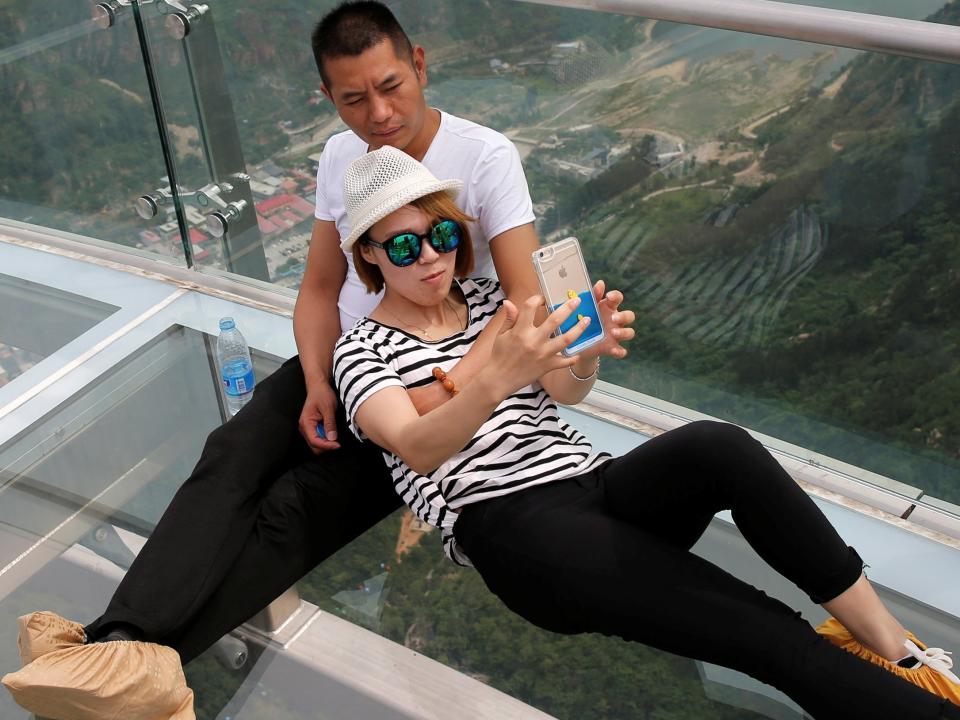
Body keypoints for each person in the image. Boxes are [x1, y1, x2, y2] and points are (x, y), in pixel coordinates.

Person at [331, 145, 960, 719]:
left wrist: (586, 352)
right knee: (764, 631)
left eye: (440, 234)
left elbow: (566, 390)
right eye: (406, 247)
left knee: (722, 447)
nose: (433, 256)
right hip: (516, 529)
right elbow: (414, 444)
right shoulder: (360, 353)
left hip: (593, 483)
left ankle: (896, 651)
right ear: (369, 252)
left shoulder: (494, 302)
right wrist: (498, 373)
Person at [72, 0, 606, 665]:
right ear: (328, 96)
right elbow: (321, 288)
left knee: (290, 514)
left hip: (425, 381)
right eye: (353, 100)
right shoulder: (339, 156)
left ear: (418, 65)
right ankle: (120, 636)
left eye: (390, 87)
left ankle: (132, 668)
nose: (378, 114)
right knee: (231, 455)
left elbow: (527, 307)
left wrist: (541, 365)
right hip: (348, 360)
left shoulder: (484, 156)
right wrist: (318, 381)